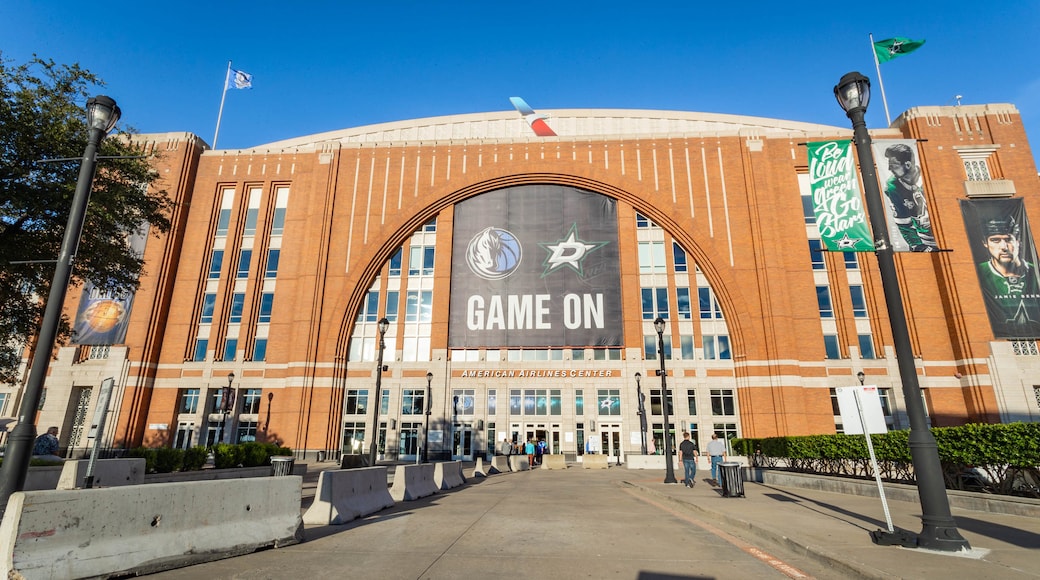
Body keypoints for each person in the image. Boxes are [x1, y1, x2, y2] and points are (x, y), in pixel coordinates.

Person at [977, 215, 1040, 328]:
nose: (1004, 247)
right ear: (985, 243)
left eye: (1008, 239)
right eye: (995, 240)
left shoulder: (1036, 272)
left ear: (1018, 241)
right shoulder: (979, 273)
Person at [882, 143, 937, 252]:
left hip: (945, 236)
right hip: (925, 242)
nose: (889, 168)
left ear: (907, 165)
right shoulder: (892, 187)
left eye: (894, 165)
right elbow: (904, 225)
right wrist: (919, 247)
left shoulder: (929, 175)